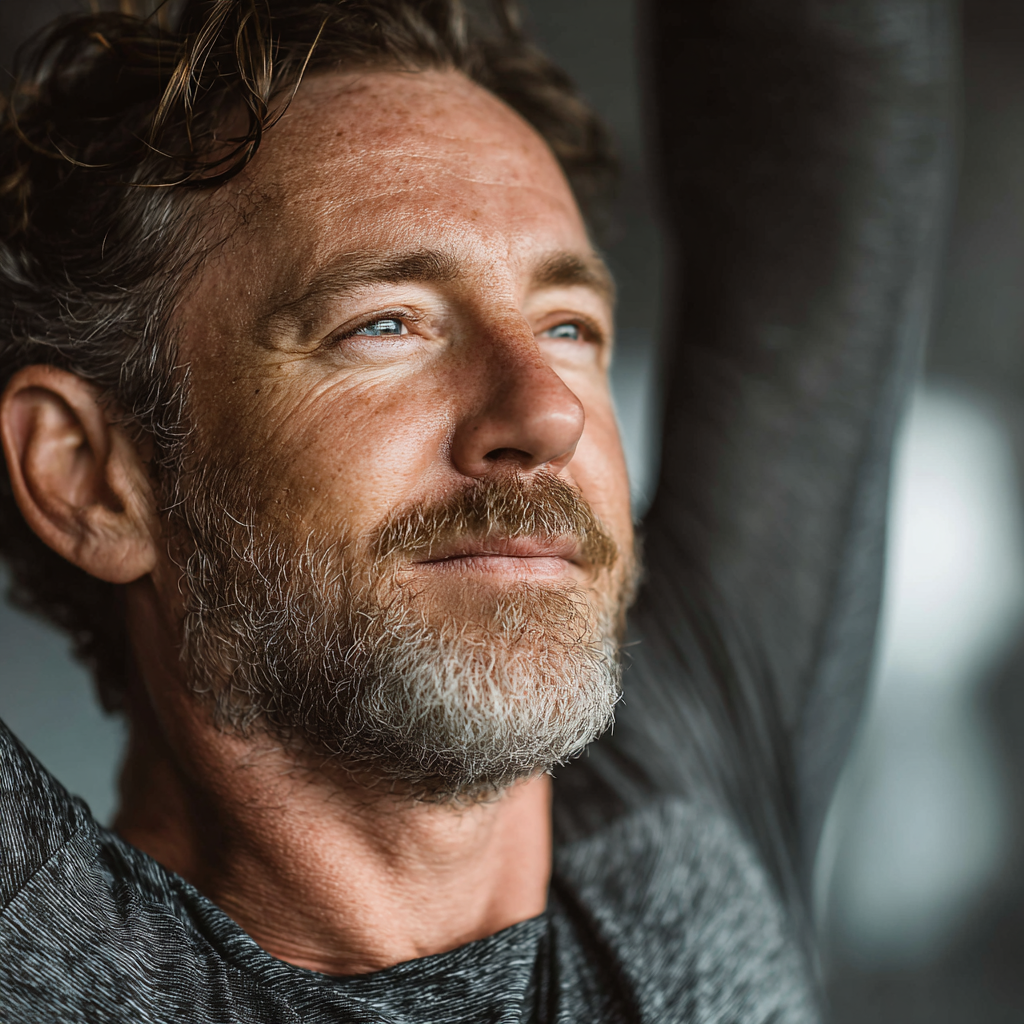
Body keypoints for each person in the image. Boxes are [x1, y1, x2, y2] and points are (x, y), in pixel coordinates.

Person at [0, 0, 952, 1020]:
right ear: (91, 476)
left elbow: (833, 61)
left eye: (567, 325)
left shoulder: (684, 790)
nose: (545, 412)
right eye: (385, 323)